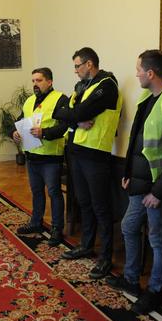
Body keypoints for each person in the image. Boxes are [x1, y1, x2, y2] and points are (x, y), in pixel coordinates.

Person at [105, 50, 162, 314]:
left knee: (158, 240)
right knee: (129, 225)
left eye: (138, 70)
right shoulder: (149, 98)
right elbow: (138, 141)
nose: (135, 74)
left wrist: (158, 192)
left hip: (160, 189)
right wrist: (128, 174)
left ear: (150, 73)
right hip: (140, 183)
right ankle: (131, 279)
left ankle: (155, 290)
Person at [53, 47, 122, 280]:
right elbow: (60, 112)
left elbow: (78, 111)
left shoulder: (107, 85)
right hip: (76, 151)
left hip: (95, 154)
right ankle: (86, 245)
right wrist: (76, 119)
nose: (75, 71)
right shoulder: (82, 87)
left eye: (77, 66)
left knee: (101, 206)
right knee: (84, 203)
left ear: (90, 64)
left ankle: (105, 257)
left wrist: (74, 115)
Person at [12, 67, 68, 247]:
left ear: (50, 81)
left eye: (39, 80)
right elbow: (20, 121)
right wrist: (14, 132)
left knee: (54, 193)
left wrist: (45, 132)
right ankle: (36, 223)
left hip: (51, 157)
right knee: (36, 192)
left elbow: (65, 126)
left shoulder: (60, 99)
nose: (35, 84)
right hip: (32, 156)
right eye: (33, 81)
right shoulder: (29, 101)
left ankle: (57, 229)